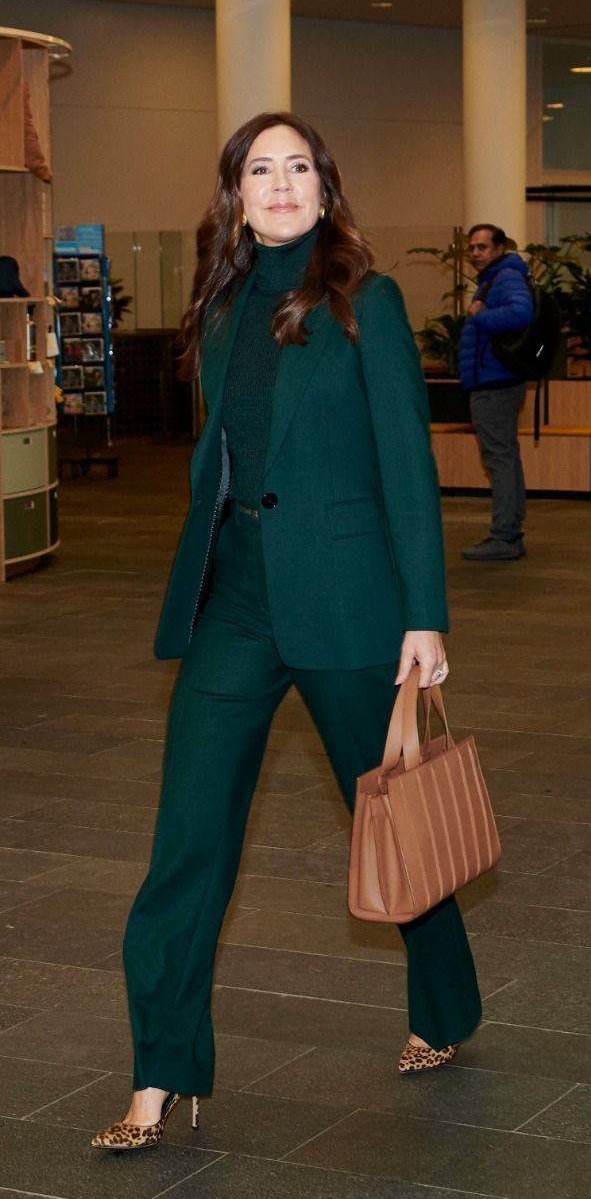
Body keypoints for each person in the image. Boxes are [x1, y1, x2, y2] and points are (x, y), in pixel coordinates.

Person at [91, 112, 481, 1152]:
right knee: (186, 843)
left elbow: (407, 458)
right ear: (234, 195)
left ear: (324, 186)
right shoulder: (220, 305)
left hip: (348, 603)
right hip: (236, 603)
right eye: (258, 170)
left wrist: (423, 614)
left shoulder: (370, 302)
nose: (278, 185)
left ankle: (443, 1005)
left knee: (395, 817)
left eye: (295, 168)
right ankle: (160, 1074)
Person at [459, 223, 534, 561]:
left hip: (495, 384)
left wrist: (482, 314)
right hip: (498, 380)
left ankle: (503, 536)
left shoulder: (504, 278)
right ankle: (509, 532)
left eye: (483, 247)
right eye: (472, 248)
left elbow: (521, 312)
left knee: (499, 460)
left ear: (500, 248)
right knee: (506, 458)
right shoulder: (498, 277)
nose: (476, 253)